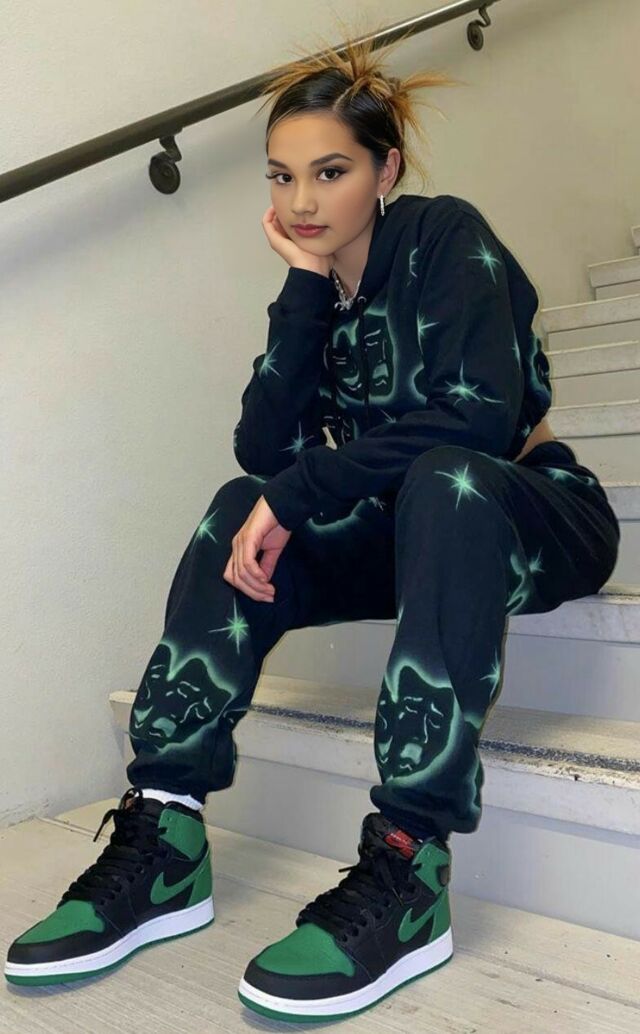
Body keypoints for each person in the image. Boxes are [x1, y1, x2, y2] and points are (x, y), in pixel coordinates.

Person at [5, 23, 620, 1025]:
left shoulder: (445, 238)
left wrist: (301, 491)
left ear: (386, 170)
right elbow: (263, 446)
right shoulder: (314, 289)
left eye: (330, 172)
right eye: (281, 177)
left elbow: (478, 418)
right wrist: (302, 288)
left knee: (445, 479)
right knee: (232, 509)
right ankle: (165, 834)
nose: (301, 201)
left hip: (531, 511)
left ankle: (409, 862)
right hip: (410, 532)